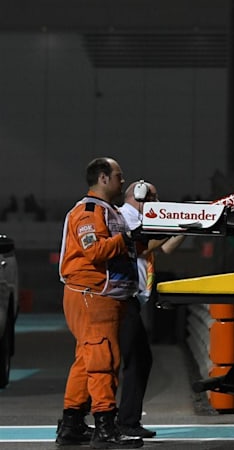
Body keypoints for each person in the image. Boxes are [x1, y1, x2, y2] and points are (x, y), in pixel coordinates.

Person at [57, 157, 143, 448]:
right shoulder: (89, 211)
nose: (123, 181)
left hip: (99, 295)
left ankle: (71, 425)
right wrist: (127, 237)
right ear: (104, 178)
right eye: (119, 175)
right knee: (103, 360)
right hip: (92, 295)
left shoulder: (108, 212)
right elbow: (94, 251)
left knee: (87, 360)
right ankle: (105, 427)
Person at [116, 180, 185, 440]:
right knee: (133, 360)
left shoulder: (142, 221)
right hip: (123, 298)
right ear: (140, 195)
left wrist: (189, 226)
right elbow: (144, 245)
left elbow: (166, 246)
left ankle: (125, 419)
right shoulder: (125, 217)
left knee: (139, 359)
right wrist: (176, 222)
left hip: (133, 300)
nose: (157, 203)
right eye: (154, 197)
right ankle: (123, 421)